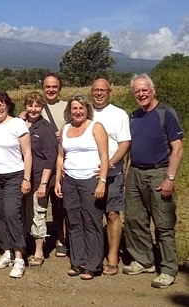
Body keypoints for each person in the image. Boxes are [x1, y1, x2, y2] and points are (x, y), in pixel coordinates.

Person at [122, 74, 184, 289]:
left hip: (159, 173)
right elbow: (131, 150)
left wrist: (170, 178)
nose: (141, 94)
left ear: (153, 90)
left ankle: (168, 269)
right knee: (134, 219)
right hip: (136, 173)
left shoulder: (165, 113)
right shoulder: (134, 117)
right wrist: (128, 175)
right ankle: (144, 260)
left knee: (163, 223)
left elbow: (177, 148)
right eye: (137, 91)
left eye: (144, 89)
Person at [54, 94, 109, 281]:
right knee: (74, 221)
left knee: (92, 221)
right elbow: (60, 156)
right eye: (74, 108)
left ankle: (93, 264)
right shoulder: (66, 128)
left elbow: (104, 156)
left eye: (81, 108)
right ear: (69, 111)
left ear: (87, 109)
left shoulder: (96, 127)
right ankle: (77, 261)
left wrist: (102, 181)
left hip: (90, 180)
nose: (77, 111)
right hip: (70, 180)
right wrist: (57, 181)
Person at [0, 91, 32, 278]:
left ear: (8, 105)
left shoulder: (18, 124)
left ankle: (19, 257)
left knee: (13, 215)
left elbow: (27, 153)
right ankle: (6, 251)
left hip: (14, 176)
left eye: (1, 104)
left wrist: (26, 179)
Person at [91, 78, 131, 276]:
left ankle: (113, 257)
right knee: (92, 216)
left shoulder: (119, 114)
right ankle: (94, 254)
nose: (99, 93)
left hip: (113, 175)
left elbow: (124, 143)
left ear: (110, 91)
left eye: (103, 90)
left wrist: (111, 164)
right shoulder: (85, 111)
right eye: (96, 90)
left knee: (113, 214)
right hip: (89, 176)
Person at [22, 92, 58, 267]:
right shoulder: (20, 124)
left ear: (42, 107)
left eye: (37, 106)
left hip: (39, 179)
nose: (33, 109)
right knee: (23, 214)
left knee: (38, 214)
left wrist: (44, 183)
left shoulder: (46, 128)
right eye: (30, 105)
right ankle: (23, 246)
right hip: (21, 178)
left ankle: (39, 251)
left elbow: (50, 158)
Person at [40, 73, 68, 258]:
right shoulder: (37, 107)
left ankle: (62, 238)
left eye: (54, 87)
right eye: (48, 86)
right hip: (42, 164)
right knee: (40, 203)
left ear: (59, 88)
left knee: (61, 204)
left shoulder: (67, 107)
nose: (51, 90)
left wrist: (65, 132)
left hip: (62, 162)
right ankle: (38, 240)